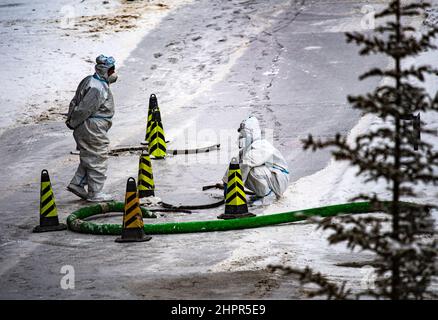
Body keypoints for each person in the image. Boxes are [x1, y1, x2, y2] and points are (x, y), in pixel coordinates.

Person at [65, 54, 118, 202]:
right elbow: (84, 109)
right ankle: (95, 192)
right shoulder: (97, 88)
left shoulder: (91, 80)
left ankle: (78, 183)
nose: (114, 73)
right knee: (98, 157)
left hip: (89, 126)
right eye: (112, 70)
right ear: (105, 71)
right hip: (91, 127)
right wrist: (73, 122)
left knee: (90, 157)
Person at [223, 116, 290, 205]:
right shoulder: (248, 148)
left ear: (251, 133)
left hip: (279, 179)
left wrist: (231, 185)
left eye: (244, 135)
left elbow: (245, 164)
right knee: (244, 171)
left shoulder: (260, 146)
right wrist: (226, 180)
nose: (241, 137)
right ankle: (261, 193)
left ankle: (269, 196)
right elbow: (236, 163)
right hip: (272, 177)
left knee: (251, 171)